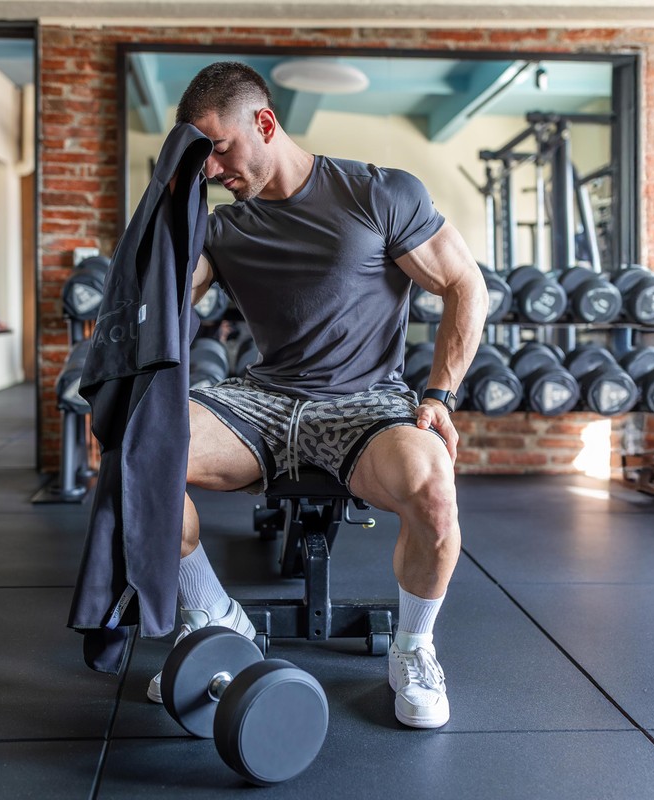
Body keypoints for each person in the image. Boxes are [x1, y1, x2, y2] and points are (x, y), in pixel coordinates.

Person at [147, 61, 488, 729]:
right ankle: (215, 617)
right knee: (141, 453)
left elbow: (463, 284)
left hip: (365, 400)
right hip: (264, 398)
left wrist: (440, 394)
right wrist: (169, 211)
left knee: (432, 487)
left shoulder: (377, 193)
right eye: (200, 155)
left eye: (219, 148)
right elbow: (163, 304)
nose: (212, 168)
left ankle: (414, 647)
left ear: (264, 123)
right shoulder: (221, 228)